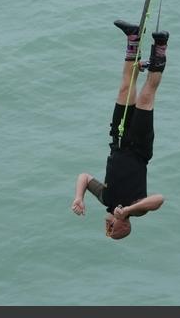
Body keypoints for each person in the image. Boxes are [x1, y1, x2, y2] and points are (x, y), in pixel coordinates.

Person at [71, 20, 168, 240]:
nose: (106, 225)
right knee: (146, 96)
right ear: (122, 226)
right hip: (139, 148)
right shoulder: (138, 209)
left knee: (125, 87)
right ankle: (161, 46)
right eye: (110, 229)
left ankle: (133, 38)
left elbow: (84, 177)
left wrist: (79, 197)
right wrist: (128, 211)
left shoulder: (106, 199)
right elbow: (159, 199)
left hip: (118, 139)